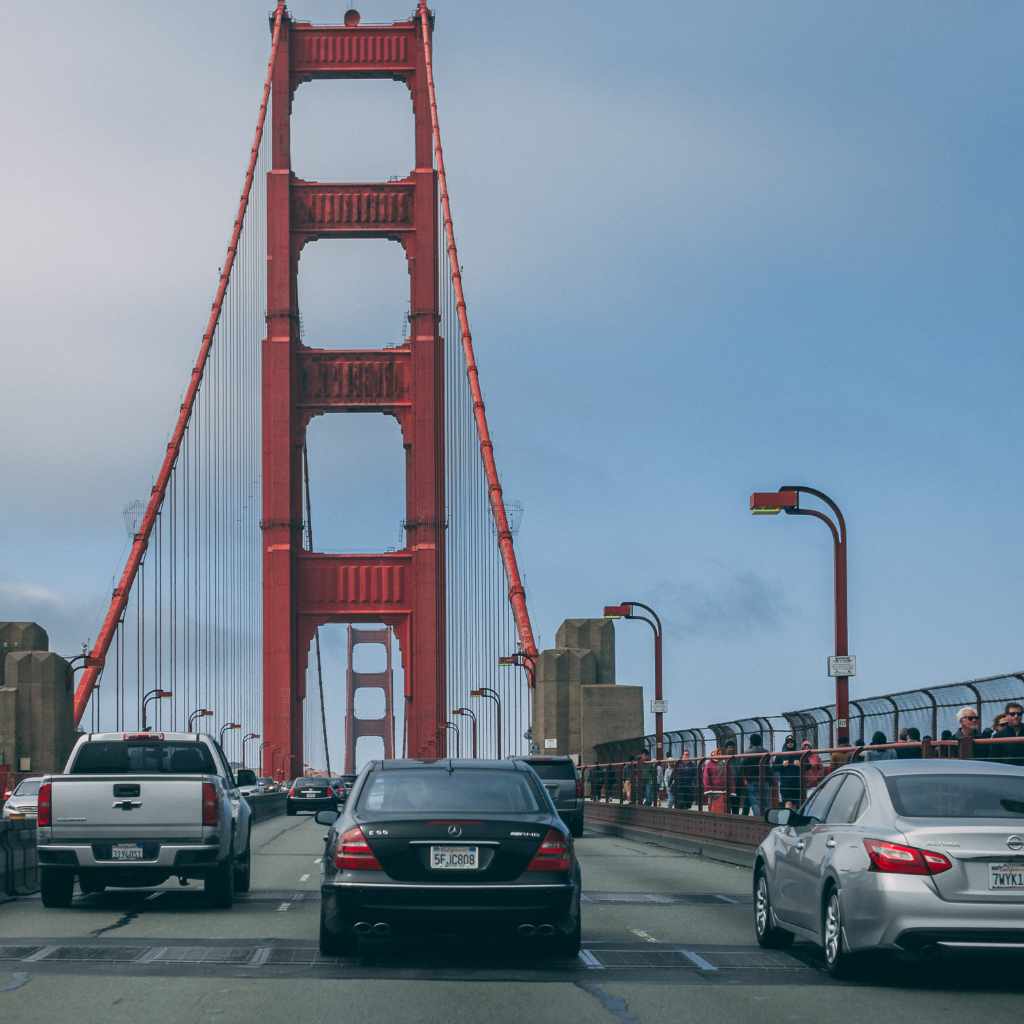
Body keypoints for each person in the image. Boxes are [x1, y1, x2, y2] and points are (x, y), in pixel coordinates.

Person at [739, 734, 768, 816]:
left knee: (755, 802)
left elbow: (742, 766)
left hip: (751, 780)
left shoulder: (747, 753)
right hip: (764, 780)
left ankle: (758, 818)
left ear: (751, 741)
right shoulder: (766, 752)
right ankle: (765, 818)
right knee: (765, 801)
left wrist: (744, 778)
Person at [773, 736, 802, 809]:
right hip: (785, 784)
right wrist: (782, 765)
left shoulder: (799, 754)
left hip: (797, 783)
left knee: (796, 804)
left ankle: (794, 819)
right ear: (785, 743)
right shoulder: (780, 755)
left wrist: (801, 764)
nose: (790, 743)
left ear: (794, 743)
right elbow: (774, 768)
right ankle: (788, 818)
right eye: (788, 742)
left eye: (791, 742)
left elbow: (808, 766)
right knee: (788, 803)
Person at [702, 748, 729, 815]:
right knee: (715, 809)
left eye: (720, 753)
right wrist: (708, 789)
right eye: (718, 753)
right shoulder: (709, 764)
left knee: (722, 810)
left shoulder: (723, 763)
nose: (719, 754)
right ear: (714, 754)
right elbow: (706, 777)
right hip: (713, 791)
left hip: (723, 791)